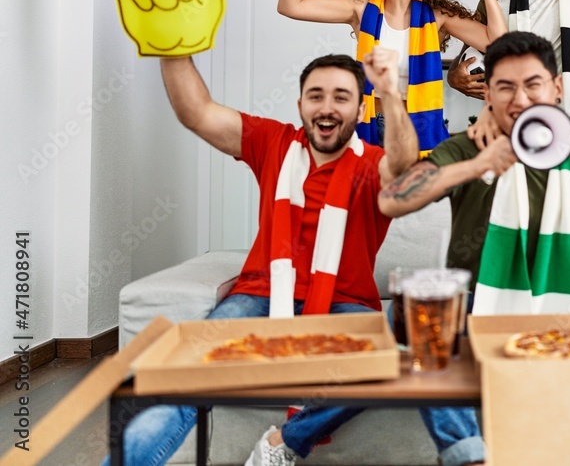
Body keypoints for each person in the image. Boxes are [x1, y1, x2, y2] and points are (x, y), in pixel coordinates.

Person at [103, 47, 485, 466]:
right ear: (300, 105)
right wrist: (171, 45)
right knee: (182, 375)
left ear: (361, 111)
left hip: (346, 304)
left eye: (341, 97)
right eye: (316, 95)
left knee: (377, 366)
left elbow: (403, 160)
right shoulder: (273, 142)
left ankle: (285, 439)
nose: (327, 106)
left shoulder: (373, 165)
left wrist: (391, 93)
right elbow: (198, 112)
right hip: (258, 296)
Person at [380, 31, 570, 314]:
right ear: (489, 94)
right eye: (506, 87)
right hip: (480, 302)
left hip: (569, 302)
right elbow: (393, 201)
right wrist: (478, 166)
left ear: (557, 88)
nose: (520, 100)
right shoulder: (468, 147)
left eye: (533, 85)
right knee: (404, 317)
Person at [278, 0, 505, 155]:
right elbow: (292, 5)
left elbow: (499, 44)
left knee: (415, 192)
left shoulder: (438, 16)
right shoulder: (361, 7)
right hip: (371, 125)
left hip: (418, 128)